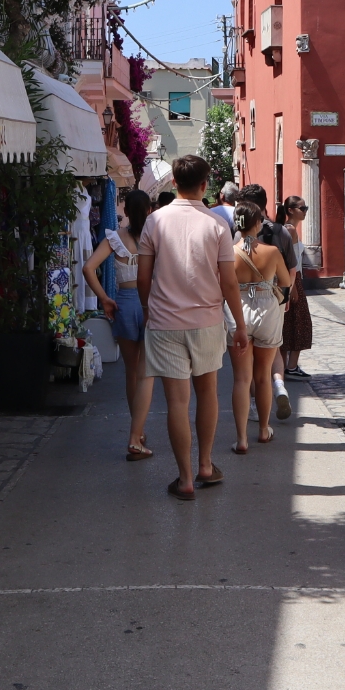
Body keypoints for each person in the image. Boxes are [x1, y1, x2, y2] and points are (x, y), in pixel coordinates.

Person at [137, 154, 244, 500]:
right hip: (207, 321)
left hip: (165, 322)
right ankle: (206, 465)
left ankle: (183, 478)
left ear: (173, 184)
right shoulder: (216, 225)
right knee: (207, 393)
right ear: (205, 184)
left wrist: (149, 309)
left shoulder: (154, 222)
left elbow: (143, 278)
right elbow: (229, 283)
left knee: (177, 403)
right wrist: (240, 325)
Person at [84, 188, 155, 461]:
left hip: (124, 303)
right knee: (146, 371)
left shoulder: (115, 238)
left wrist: (104, 298)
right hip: (151, 305)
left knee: (131, 372)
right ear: (149, 210)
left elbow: (89, 267)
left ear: (125, 211)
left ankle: (137, 430)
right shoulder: (155, 238)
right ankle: (135, 435)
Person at [228, 202, 291, 451]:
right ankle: (264, 430)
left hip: (237, 310)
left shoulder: (228, 252)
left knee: (242, 379)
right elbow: (285, 282)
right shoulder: (272, 251)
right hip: (266, 309)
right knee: (263, 376)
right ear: (257, 224)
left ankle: (242, 439)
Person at [275, 194, 315, 382]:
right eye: (302, 208)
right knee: (299, 323)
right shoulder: (289, 230)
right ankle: (289, 366)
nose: (305, 211)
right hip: (292, 279)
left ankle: (287, 366)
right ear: (291, 210)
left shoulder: (290, 229)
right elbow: (287, 261)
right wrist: (292, 287)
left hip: (292, 279)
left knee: (292, 322)